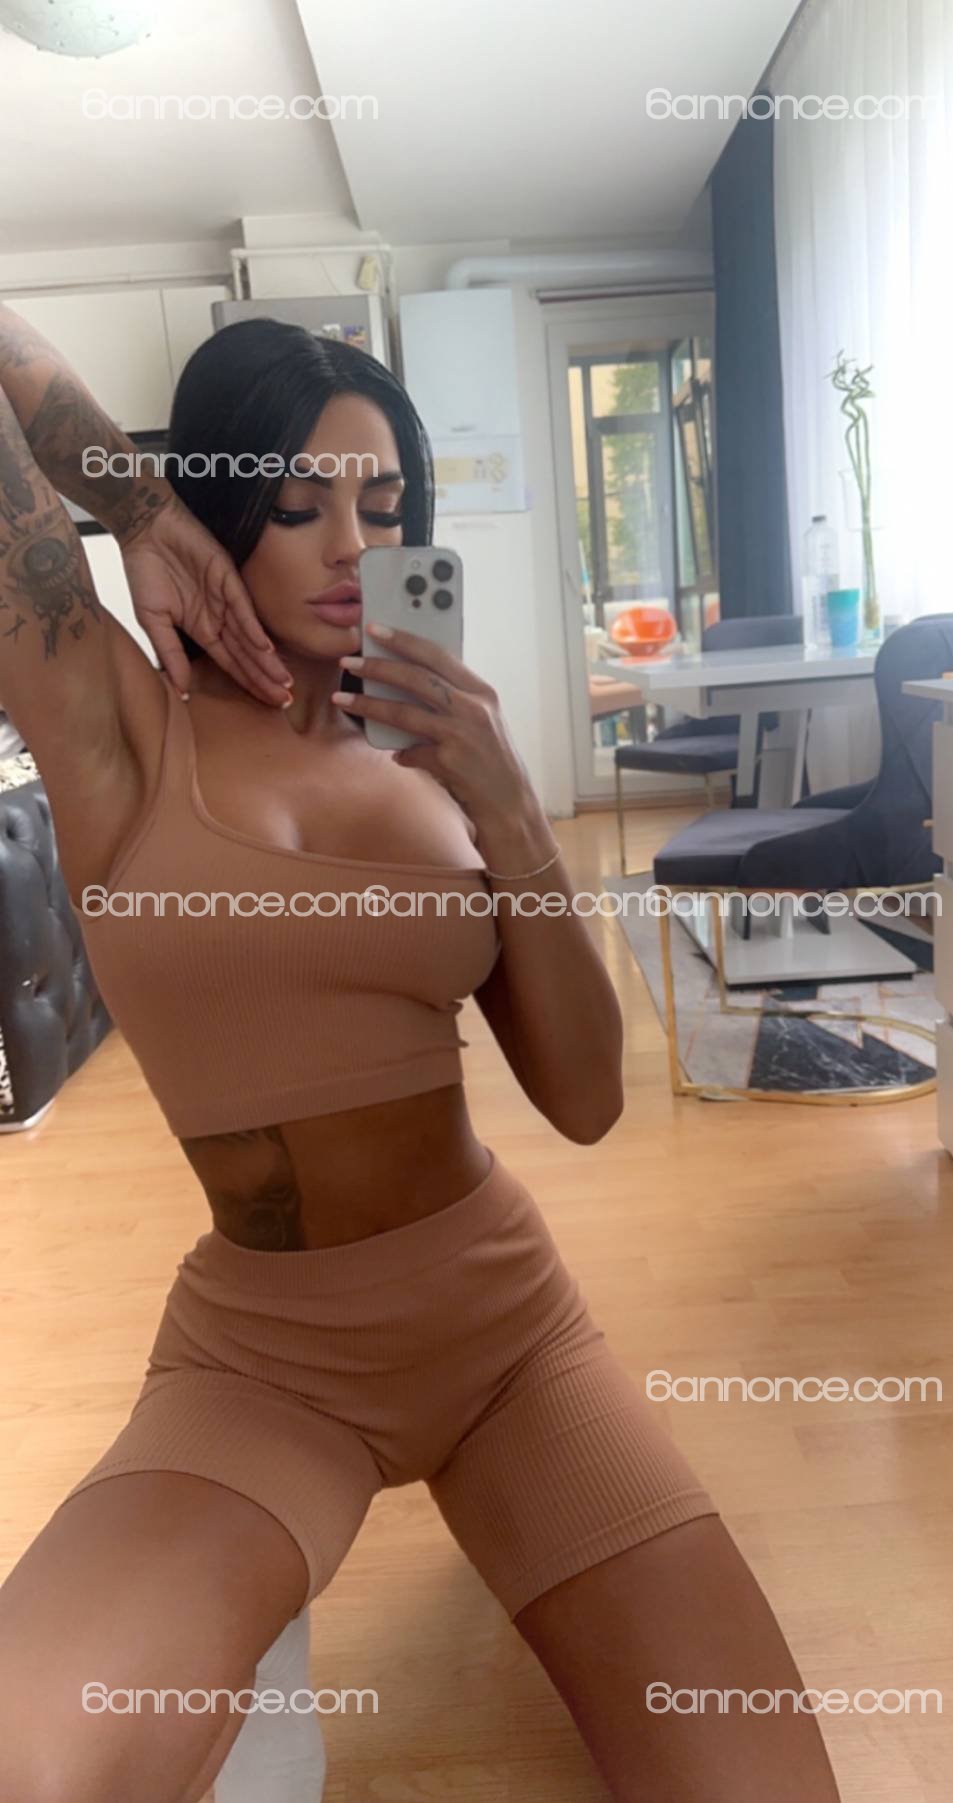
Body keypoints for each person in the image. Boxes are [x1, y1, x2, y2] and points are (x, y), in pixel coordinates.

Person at [0, 306, 841, 1803]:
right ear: (221, 506)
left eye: (382, 507)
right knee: (32, 1758)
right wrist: (136, 510)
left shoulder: (434, 761)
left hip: (506, 1331)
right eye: (296, 505)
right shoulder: (112, 720)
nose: (350, 546)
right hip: (265, 1365)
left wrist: (506, 803)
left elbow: (585, 1101)